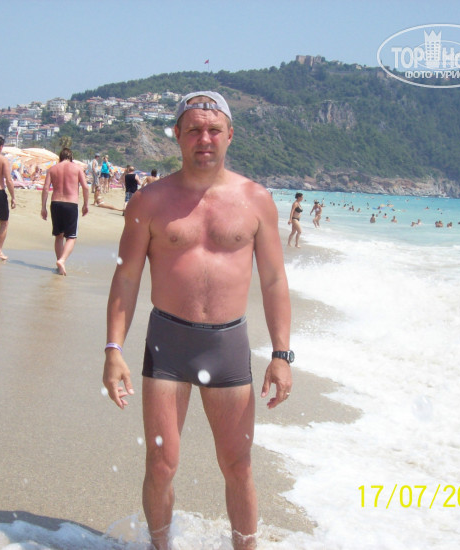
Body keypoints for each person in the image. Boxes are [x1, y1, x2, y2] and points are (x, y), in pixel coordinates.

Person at [102, 91, 292, 550]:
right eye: (193, 130)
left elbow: (273, 280)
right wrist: (113, 350)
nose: (204, 139)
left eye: (213, 130)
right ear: (177, 135)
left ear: (230, 135)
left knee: (238, 465)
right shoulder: (149, 200)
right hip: (168, 343)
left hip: (228, 346)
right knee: (160, 465)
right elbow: (126, 277)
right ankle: (159, 546)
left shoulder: (256, 200)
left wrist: (282, 354)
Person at [40, 147, 90, 275]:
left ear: (60, 157)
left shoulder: (52, 169)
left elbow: (45, 188)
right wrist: (86, 204)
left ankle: (59, 264)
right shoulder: (77, 168)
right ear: (71, 157)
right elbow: (85, 187)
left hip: (55, 203)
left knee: (58, 236)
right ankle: (62, 260)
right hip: (70, 204)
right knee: (71, 237)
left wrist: (43, 207)